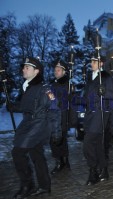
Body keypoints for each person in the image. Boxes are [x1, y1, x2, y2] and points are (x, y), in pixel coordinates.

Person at [8, 57, 61, 198]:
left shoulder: (45, 88)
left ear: (36, 71)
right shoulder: (27, 86)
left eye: (27, 67)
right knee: (37, 155)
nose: (23, 69)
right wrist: (14, 106)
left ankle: (28, 185)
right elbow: (28, 106)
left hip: (37, 125)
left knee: (18, 153)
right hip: (27, 123)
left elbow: (55, 108)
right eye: (24, 67)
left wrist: (56, 132)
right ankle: (44, 186)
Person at [82, 53, 113, 185]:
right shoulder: (90, 78)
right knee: (98, 145)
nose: (92, 63)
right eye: (91, 61)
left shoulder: (106, 77)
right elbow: (86, 96)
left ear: (101, 63)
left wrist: (104, 92)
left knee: (88, 143)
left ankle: (93, 171)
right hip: (90, 114)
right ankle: (104, 169)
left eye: (95, 61)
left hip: (100, 113)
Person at [49, 59, 70, 175]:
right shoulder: (53, 84)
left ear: (64, 72)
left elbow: (69, 100)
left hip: (62, 115)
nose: (55, 72)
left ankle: (61, 162)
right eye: (55, 70)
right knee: (57, 139)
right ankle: (62, 161)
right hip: (53, 115)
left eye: (58, 70)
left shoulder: (67, 84)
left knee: (59, 139)